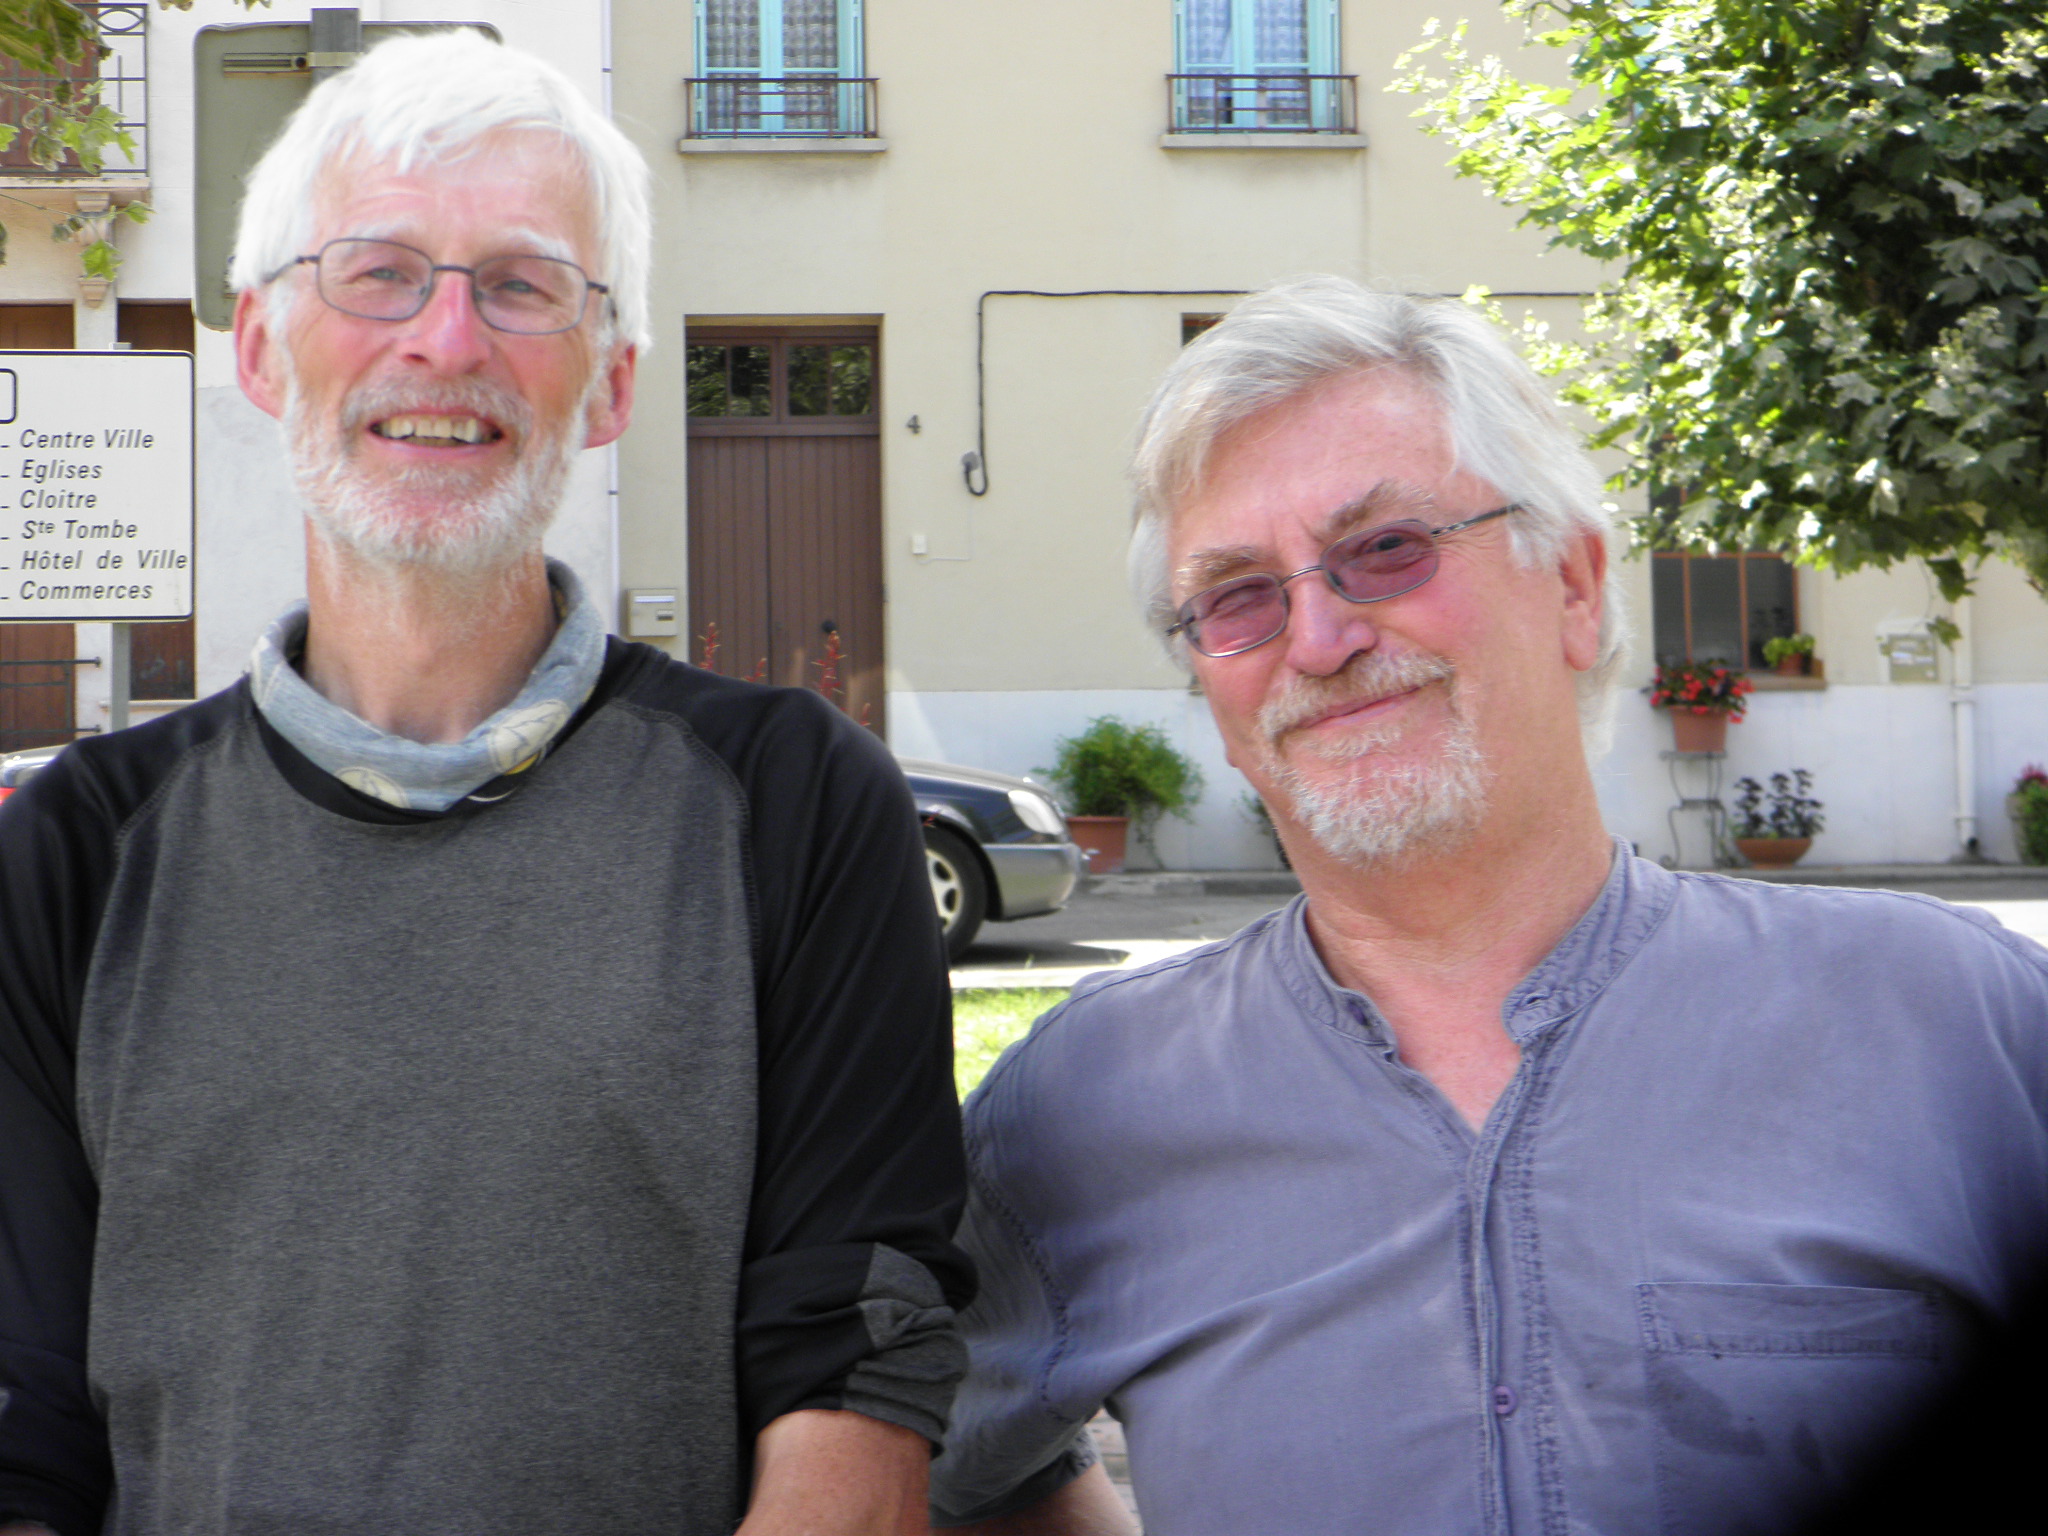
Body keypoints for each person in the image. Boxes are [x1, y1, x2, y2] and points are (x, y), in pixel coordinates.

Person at [0, 33, 969, 1536]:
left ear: (612, 382)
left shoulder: (792, 806)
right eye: (377, 273)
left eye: (522, 286)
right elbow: (25, 1425)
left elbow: (855, 1383)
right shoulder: (76, 852)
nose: (446, 340)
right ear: (260, 350)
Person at [927, 277, 2048, 1534]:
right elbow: (956, 1470)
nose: (1317, 638)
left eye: (1385, 549)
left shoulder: (1956, 1028)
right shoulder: (1076, 1110)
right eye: (1237, 595)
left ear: (1571, 585)